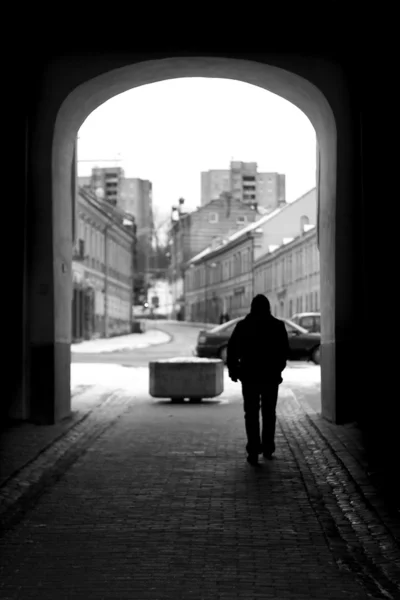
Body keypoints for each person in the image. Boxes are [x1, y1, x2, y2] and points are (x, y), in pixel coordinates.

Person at [227, 294, 289, 466]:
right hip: (270, 377)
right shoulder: (277, 326)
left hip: (250, 376)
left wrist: (234, 370)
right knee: (269, 413)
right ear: (268, 307)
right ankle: (268, 447)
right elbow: (284, 352)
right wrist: (277, 369)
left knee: (251, 414)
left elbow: (232, 350)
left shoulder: (243, 326)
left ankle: (253, 449)